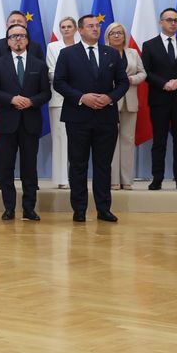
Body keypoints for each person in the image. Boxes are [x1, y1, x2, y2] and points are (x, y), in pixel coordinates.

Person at [52, 14, 128, 223]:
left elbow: (123, 83)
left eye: (98, 26)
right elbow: (59, 82)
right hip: (77, 117)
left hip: (106, 118)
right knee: (78, 164)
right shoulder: (67, 54)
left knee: (103, 165)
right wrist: (81, 97)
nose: (96, 29)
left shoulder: (111, 53)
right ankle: (79, 209)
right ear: (81, 30)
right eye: (91, 26)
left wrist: (110, 97)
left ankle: (104, 209)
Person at [0, 26, 51, 221]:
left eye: (22, 36)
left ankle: (29, 208)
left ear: (27, 40)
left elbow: (46, 93)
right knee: (6, 168)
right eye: (14, 37)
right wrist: (11, 99)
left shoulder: (38, 64)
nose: (18, 40)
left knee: (29, 168)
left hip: (30, 123)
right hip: (7, 123)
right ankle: (9, 208)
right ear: (8, 41)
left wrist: (31, 101)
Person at [140, 7, 177, 190]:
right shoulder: (149, 45)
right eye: (169, 20)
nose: (173, 23)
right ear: (161, 22)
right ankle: (157, 178)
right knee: (159, 141)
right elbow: (146, 72)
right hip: (159, 100)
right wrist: (164, 83)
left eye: (175, 20)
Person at [104, 22, 146, 189]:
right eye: (113, 33)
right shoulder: (103, 52)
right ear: (107, 36)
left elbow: (143, 73)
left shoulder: (133, 53)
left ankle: (126, 180)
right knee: (111, 140)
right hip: (110, 100)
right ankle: (113, 180)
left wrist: (130, 80)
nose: (116, 35)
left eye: (119, 33)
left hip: (130, 100)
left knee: (128, 140)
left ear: (124, 35)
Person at [46, 16, 77, 189]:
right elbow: (52, 72)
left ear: (75, 29)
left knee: (78, 140)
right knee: (60, 139)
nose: (66, 29)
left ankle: (76, 176)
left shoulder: (81, 47)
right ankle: (61, 178)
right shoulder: (53, 47)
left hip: (81, 99)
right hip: (59, 99)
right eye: (63, 27)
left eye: (69, 26)